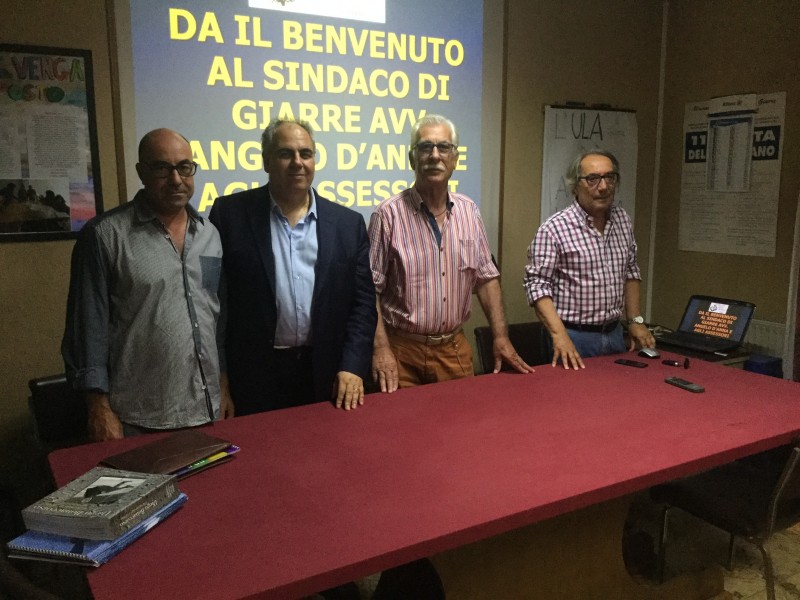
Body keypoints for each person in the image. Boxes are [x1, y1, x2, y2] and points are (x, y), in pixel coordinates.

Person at [62, 128, 233, 441]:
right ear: (141, 172)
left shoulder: (210, 234)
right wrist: (98, 407)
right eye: (162, 168)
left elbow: (215, 317)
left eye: (184, 167)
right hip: (138, 418)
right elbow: (87, 328)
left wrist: (222, 383)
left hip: (207, 410)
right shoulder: (105, 236)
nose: (176, 179)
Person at [208, 118, 376, 415]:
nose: (297, 162)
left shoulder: (347, 224)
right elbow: (216, 306)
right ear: (266, 161)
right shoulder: (230, 215)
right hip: (255, 378)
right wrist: (220, 378)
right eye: (285, 153)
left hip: (327, 374)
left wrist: (352, 365)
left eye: (305, 154)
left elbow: (362, 304)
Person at [368, 114, 531, 393]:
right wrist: (380, 348)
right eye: (425, 147)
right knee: (401, 421)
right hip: (401, 352)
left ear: (454, 158)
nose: (435, 155)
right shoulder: (387, 215)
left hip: (453, 350)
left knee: (461, 420)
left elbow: (486, 279)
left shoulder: (469, 212)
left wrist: (501, 336)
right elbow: (369, 290)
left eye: (443, 147)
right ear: (411, 159)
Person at [523, 148, 656, 370]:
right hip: (573, 336)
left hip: (614, 333)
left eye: (609, 177)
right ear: (575, 185)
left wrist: (635, 321)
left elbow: (631, 270)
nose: (603, 187)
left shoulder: (622, 221)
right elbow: (537, 286)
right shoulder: (554, 229)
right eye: (592, 179)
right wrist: (559, 335)